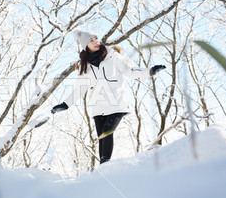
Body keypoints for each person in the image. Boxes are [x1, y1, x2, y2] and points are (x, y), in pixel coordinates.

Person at [51, 30, 166, 164]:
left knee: (107, 131)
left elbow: (130, 71)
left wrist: (150, 71)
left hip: (117, 104)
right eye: (91, 41)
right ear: (85, 46)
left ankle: (106, 165)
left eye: (96, 38)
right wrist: (65, 105)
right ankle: (103, 167)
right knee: (101, 137)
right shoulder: (85, 66)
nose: (96, 42)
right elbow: (79, 89)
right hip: (98, 107)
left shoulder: (112, 56)